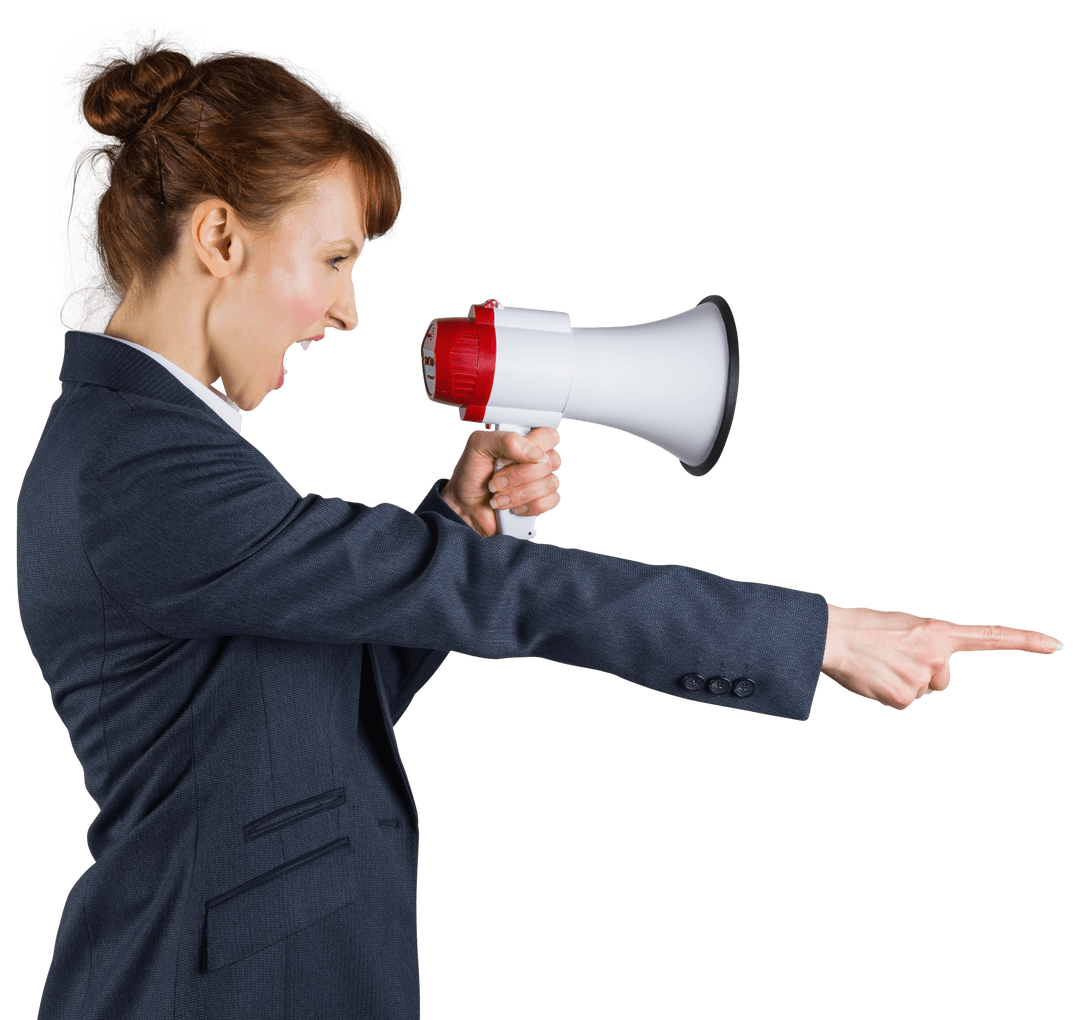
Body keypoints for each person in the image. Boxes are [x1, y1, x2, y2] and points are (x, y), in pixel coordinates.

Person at [16, 21, 1063, 1020]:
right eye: (335, 260)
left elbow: (309, 701)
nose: (349, 311)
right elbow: (506, 602)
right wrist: (823, 632)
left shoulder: (158, 448)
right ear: (217, 237)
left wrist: (461, 522)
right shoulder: (137, 471)